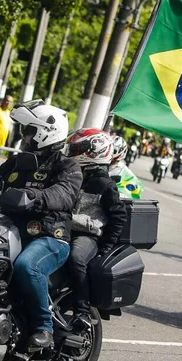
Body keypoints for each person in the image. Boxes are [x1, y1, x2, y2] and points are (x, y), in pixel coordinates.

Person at [0, 101, 82, 349]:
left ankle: (45, 327)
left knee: (26, 266)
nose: (24, 136)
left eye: (29, 130)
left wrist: (36, 197)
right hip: (11, 230)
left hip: (49, 237)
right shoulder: (16, 162)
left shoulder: (67, 166)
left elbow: (64, 194)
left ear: (46, 132)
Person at [64, 128, 127, 330]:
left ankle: (82, 310)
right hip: (63, 227)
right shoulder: (74, 175)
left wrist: (104, 249)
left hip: (87, 236)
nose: (73, 151)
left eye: (79, 148)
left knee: (76, 258)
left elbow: (119, 217)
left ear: (94, 151)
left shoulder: (105, 184)